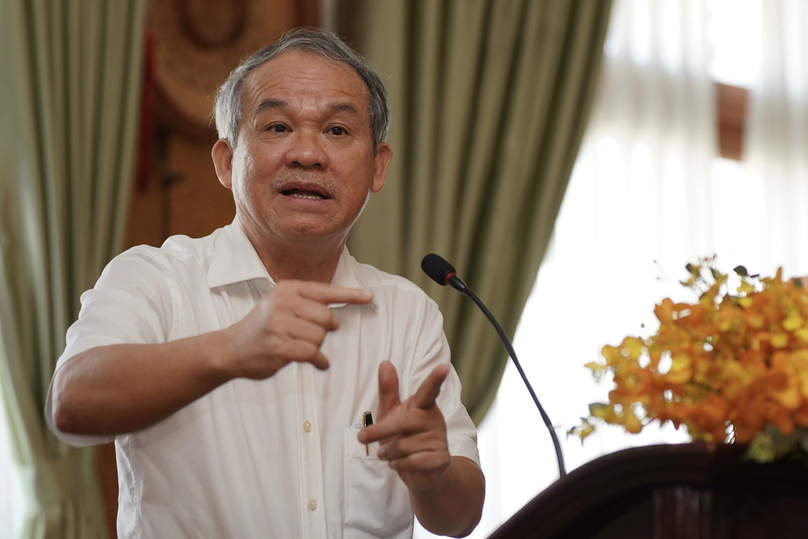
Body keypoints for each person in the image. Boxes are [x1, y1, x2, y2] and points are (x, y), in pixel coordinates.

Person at [46, 28, 485, 539]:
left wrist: (431, 476)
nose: (307, 154)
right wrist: (230, 348)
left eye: (338, 131)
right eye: (277, 127)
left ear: (377, 167)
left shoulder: (406, 313)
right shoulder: (156, 278)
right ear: (227, 162)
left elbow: (460, 518)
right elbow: (70, 404)